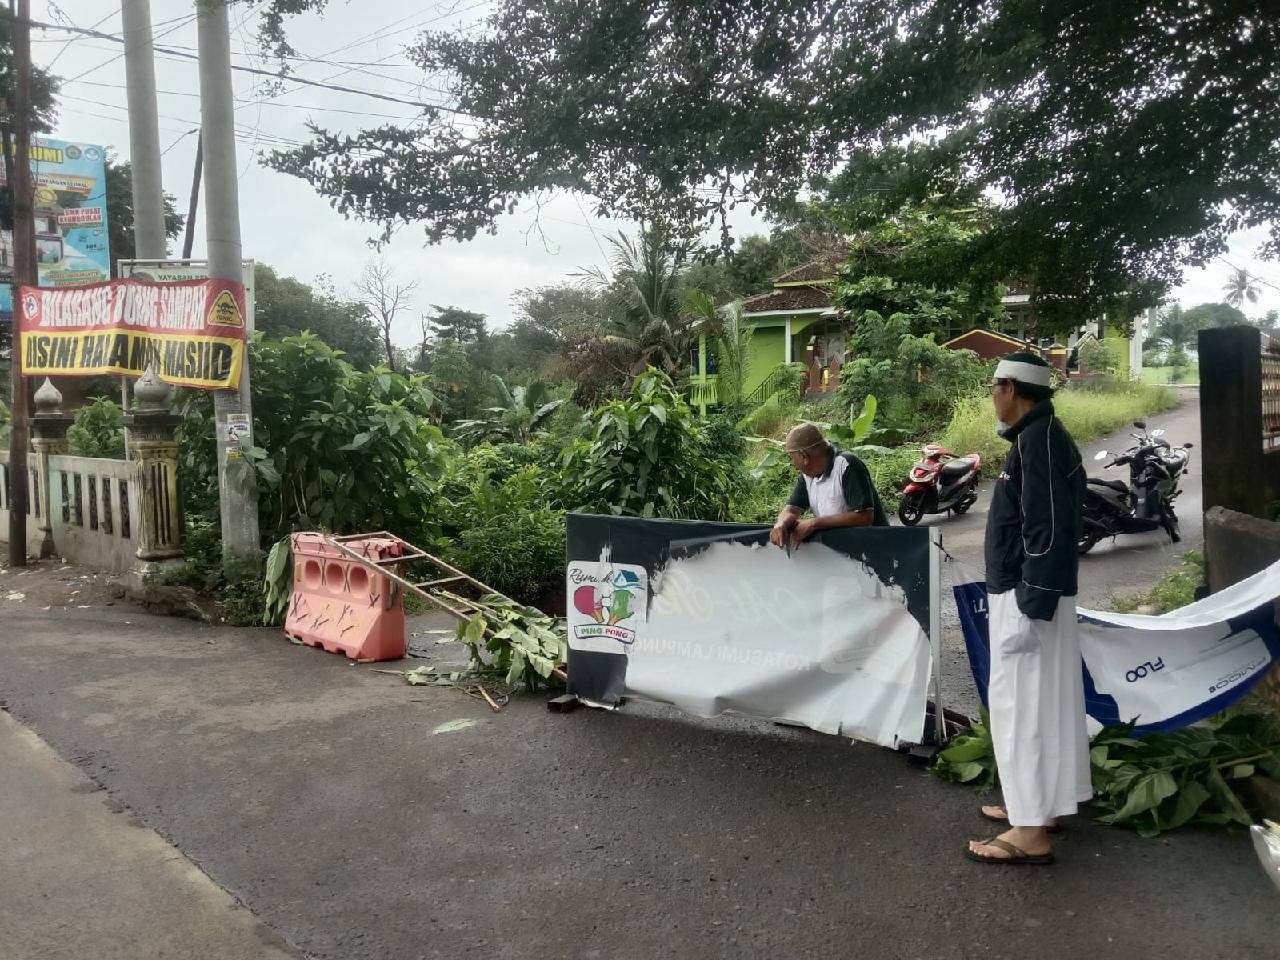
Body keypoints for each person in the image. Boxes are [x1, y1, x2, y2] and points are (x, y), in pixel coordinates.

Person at [967, 351, 1090, 866]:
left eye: (995, 385)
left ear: (1014, 390)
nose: (991, 393)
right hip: (1036, 596)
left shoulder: (1037, 441)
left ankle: (1030, 829)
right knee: (1047, 705)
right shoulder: (1039, 435)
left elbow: (1049, 528)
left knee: (1021, 709)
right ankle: (1039, 806)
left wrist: (1029, 604)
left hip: (1028, 598)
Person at [769, 423, 888, 550]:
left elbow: (864, 516)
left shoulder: (847, 465)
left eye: (792, 458)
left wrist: (813, 523)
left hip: (874, 549)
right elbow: (791, 510)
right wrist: (781, 523)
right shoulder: (807, 476)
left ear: (804, 456)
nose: (793, 463)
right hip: (843, 552)